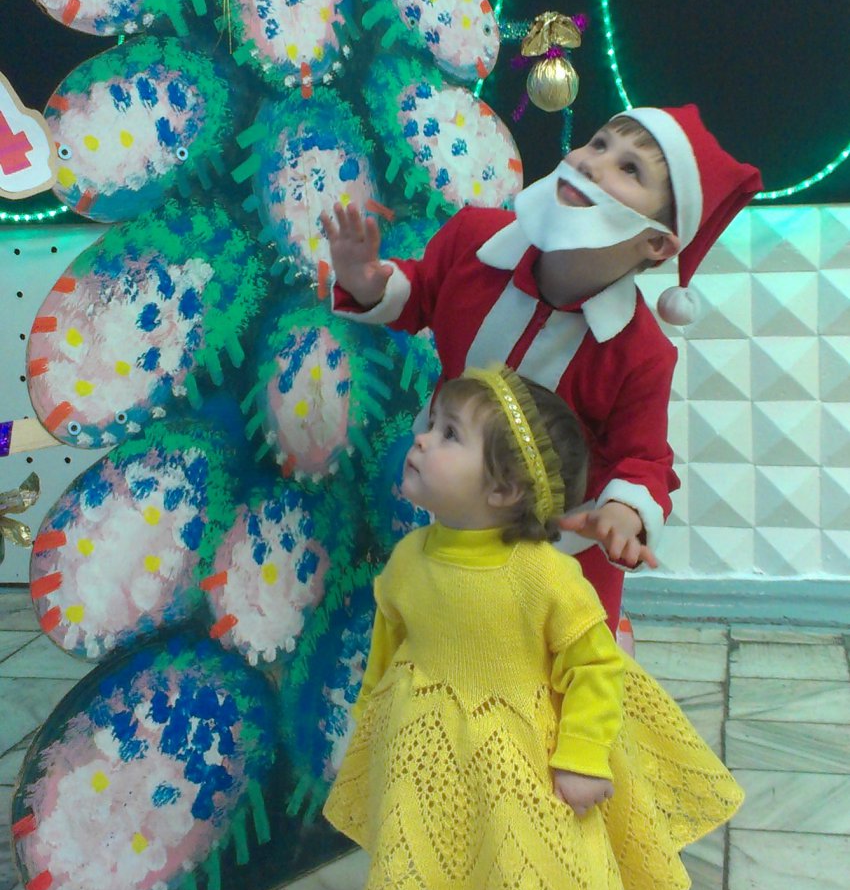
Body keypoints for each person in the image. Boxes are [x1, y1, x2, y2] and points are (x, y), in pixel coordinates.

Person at [323, 365, 743, 890]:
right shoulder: (409, 560)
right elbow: (390, 644)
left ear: (504, 489)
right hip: (447, 762)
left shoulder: (545, 576)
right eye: (430, 424)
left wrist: (581, 757)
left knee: (560, 889)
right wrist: (374, 724)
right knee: (482, 885)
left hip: (534, 769)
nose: (421, 439)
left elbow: (595, 667)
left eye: (448, 434)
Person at [320, 105, 762, 630]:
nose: (593, 162)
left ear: (657, 243)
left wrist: (623, 513)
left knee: (563, 658)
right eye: (598, 143)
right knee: (451, 633)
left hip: (565, 549)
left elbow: (641, 458)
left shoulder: (640, 354)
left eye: (629, 169)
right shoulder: (474, 240)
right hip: (459, 510)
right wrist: (370, 283)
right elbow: (421, 293)